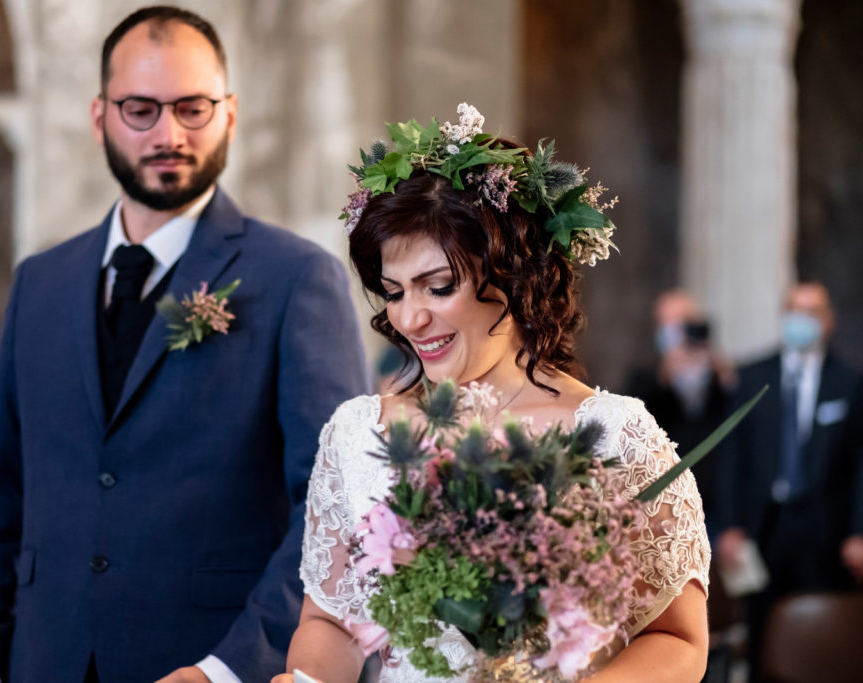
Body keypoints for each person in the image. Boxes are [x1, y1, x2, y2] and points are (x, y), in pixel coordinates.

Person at [0, 6, 368, 683]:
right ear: (99, 117)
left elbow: (335, 508)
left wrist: (227, 668)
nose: (168, 133)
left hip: (209, 661)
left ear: (229, 113)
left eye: (192, 108)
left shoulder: (297, 278)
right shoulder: (39, 284)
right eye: (140, 109)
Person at [275, 105, 710, 682]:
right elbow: (332, 622)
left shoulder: (613, 436)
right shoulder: (358, 434)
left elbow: (677, 639)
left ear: (512, 275)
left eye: (438, 286)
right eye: (394, 292)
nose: (411, 317)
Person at [715, 282, 863, 677]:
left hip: (824, 530)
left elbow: (859, 462)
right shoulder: (751, 376)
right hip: (764, 528)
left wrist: (858, 531)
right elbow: (731, 457)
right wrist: (728, 525)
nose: (802, 319)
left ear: (828, 320)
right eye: (794, 309)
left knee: (823, 640)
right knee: (763, 637)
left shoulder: (849, 381)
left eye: (811, 311)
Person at [624, 290, 733, 538]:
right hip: (666, 507)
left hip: (714, 503)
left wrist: (720, 374)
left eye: (680, 321)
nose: (673, 330)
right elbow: (634, 428)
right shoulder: (646, 378)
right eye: (665, 323)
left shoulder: (719, 374)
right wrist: (666, 376)